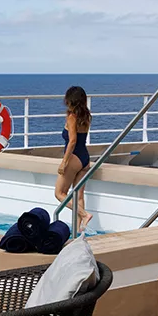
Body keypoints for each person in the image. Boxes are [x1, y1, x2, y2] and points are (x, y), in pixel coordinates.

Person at [56, 86, 93, 233]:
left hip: (74, 157)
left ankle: (85, 214)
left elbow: (72, 141)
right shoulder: (87, 116)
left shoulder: (72, 117)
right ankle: (77, 233)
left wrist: (64, 162)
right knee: (78, 196)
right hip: (85, 157)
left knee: (59, 193)